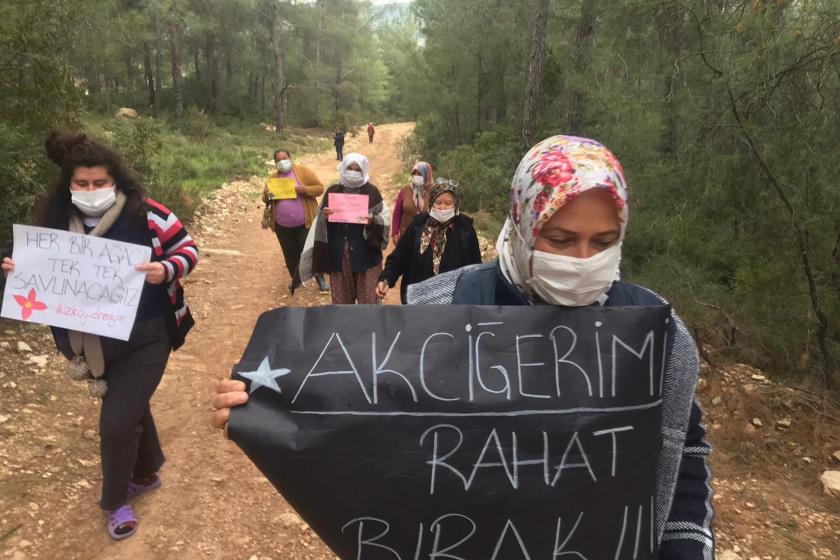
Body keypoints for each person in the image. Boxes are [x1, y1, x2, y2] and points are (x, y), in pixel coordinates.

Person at [210, 136, 714, 559]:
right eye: (561, 240)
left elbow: (682, 452)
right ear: (522, 226)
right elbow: (379, 419)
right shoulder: (442, 307)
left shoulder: (659, 335)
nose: (583, 260)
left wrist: (688, 550)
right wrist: (273, 408)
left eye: (603, 242)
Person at [2, 131, 198, 541]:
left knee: (115, 422)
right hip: (89, 345)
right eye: (82, 184)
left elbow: (187, 248)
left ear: (116, 181)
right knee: (129, 405)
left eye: (100, 183)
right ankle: (146, 472)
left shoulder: (148, 215)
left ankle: (114, 502)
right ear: (69, 184)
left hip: (148, 336)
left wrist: (167, 269)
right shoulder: (54, 223)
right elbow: (41, 271)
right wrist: (20, 272)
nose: (91, 192)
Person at [376, 179, 481, 303]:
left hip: (453, 303)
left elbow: (474, 268)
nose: (442, 208)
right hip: (418, 301)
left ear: (455, 204)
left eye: (448, 203)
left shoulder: (465, 230)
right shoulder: (417, 226)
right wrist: (386, 279)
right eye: (438, 202)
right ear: (431, 202)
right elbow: (399, 258)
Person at [308, 152, 389, 304]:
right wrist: (325, 218)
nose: (353, 172)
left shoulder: (372, 192)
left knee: (370, 304)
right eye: (349, 168)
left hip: (367, 258)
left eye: (357, 169)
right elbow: (318, 223)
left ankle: (369, 329)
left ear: (364, 170)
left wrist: (372, 221)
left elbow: (384, 219)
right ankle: (345, 329)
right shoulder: (332, 191)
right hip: (339, 257)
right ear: (343, 168)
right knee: (342, 306)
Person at [262, 149, 329, 294]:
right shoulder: (273, 178)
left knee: (310, 251)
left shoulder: (303, 172)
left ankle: (320, 278)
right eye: (278, 160)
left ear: (290, 157)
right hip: (282, 225)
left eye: (284, 158)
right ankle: (295, 278)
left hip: (305, 222)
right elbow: (265, 198)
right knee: (290, 253)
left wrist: (305, 190)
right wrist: (267, 194)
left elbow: (319, 188)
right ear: (275, 163)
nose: (282, 161)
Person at [391, 161, 434, 246]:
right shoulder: (405, 190)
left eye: (420, 174)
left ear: (427, 175)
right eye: (415, 174)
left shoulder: (434, 192)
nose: (416, 176)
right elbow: (397, 213)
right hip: (406, 237)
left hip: (426, 238)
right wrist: (395, 233)